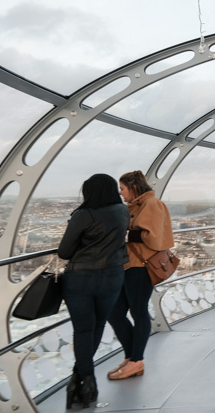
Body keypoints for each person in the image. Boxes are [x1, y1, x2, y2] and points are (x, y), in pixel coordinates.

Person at [57, 174, 129, 409]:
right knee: (98, 325)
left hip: (81, 278)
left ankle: (85, 379)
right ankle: (82, 378)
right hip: (113, 276)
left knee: (83, 329)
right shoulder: (122, 211)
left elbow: (65, 251)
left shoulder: (83, 215)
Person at [106, 171, 174, 380]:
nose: (120, 193)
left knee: (138, 312)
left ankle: (136, 360)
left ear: (134, 187)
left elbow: (154, 239)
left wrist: (124, 232)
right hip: (129, 266)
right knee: (115, 313)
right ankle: (131, 357)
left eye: (123, 188)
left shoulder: (151, 204)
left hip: (141, 266)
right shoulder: (136, 206)